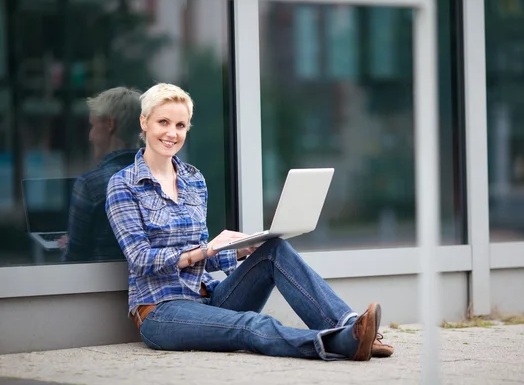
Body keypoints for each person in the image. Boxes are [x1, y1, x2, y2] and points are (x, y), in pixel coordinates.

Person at [105, 83, 394, 360]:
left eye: (180, 126)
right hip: (162, 311)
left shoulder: (193, 179)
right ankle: (338, 343)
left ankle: (350, 325)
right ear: (144, 123)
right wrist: (206, 249)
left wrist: (239, 249)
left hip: (209, 298)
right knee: (250, 325)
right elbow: (140, 259)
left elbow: (202, 259)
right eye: (163, 122)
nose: (172, 133)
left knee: (273, 249)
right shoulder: (124, 185)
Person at [60, 87, 141, 263]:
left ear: (110, 125)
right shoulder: (163, 178)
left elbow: (72, 262)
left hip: (103, 289)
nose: (90, 136)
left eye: (92, 126)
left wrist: (72, 244)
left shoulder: (90, 185)